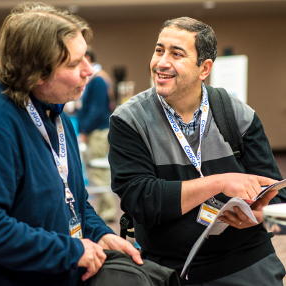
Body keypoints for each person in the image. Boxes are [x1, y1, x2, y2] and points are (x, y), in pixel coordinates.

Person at [0, 3, 142, 286]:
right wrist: (69, 250)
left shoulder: (56, 114)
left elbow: (74, 200)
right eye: (73, 63)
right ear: (36, 73)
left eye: (86, 58)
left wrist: (98, 234)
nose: (88, 71)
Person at [108, 17, 286, 285]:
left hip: (248, 265)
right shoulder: (130, 119)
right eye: (159, 50)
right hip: (171, 272)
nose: (161, 62)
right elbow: (141, 201)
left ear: (204, 68)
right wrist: (220, 182)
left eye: (176, 54)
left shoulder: (237, 114)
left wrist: (260, 218)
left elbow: (280, 200)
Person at [77, 48, 117, 222]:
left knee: (98, 171)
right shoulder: (98, 79)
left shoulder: (98, 80)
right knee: (97, 171)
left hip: (98, 132)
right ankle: (103, 209)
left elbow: (96, 110)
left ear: (87, 58)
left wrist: (85, 130)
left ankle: (107, 212)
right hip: (98, 130)